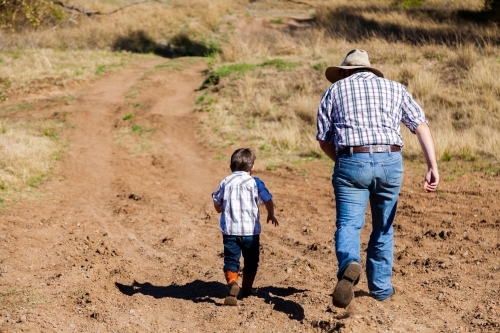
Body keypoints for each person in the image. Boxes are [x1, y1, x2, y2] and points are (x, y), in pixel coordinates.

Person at [316, 49, 439, 308]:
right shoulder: (396, 88)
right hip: (389, 161)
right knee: (383, 227)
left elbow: (323, 139)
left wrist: (343, 162)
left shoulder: (334, 91)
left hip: (351, 159)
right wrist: (432, 165)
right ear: (369, 70)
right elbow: (420, 125)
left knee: (349, 224)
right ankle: (381, 290)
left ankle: (350, 263)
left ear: (344, 71)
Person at [212, 148, 279, 306]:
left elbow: (217, 203)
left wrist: (221, 208)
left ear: (231, 167)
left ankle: (233, 283)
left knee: (231, 261)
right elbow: (268, 200)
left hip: (230, 232)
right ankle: (247, 288)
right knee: (251, 261)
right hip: (251, 232)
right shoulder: (255, 182)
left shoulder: (225, 181)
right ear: (252, 168)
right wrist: (271, 214)